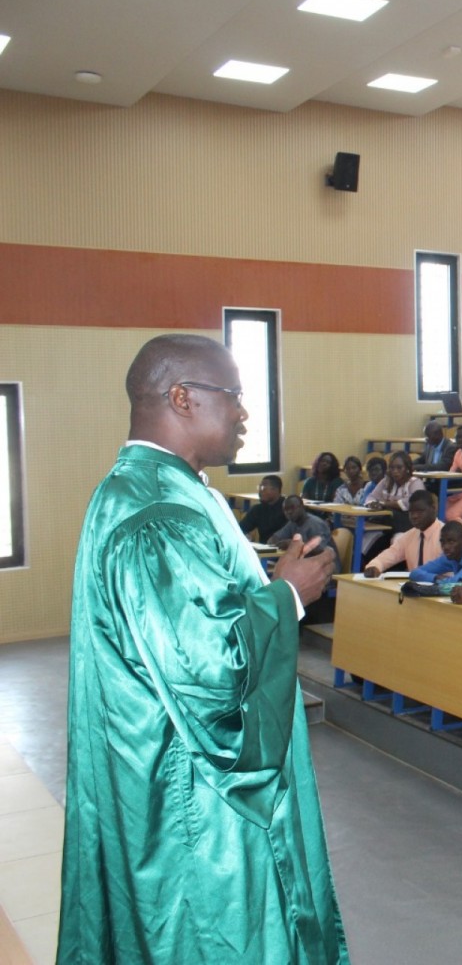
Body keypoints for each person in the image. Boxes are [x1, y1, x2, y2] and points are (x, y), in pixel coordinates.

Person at [61, 333, 345, 963]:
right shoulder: (158, 515)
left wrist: (262, 590)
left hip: (161, 771)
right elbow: (212, 678)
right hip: (194, 799)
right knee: (208, 938)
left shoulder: (160, 490)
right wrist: (288, 598)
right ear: (182, 398)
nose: (245, 412)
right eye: (235, 395)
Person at [364, 489, 442, 575]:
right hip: (414, 586)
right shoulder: (409, 536)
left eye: (420, 511)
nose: (414, 516)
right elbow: (392, 553)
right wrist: (375, 566)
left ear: (434, 508)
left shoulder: (445, 535)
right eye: (411, 512)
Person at [269, 494, 336, 567]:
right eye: (286, 510)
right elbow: (274, 538)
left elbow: (319, 549)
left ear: (302, 507)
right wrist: (275, 542)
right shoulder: (292, 523)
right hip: (306, 565)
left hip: (326, 566)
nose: (289, 512)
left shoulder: (315, 524)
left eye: (292, 508)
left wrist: (292, 545)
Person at [238, 473, 288, 540]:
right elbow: (240, 528)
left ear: (275, 490)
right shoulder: (257, 509)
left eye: (263, 488)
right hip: (263, 548)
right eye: (259, 488)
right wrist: (246, 536)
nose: (260, 492)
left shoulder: (287, 507)